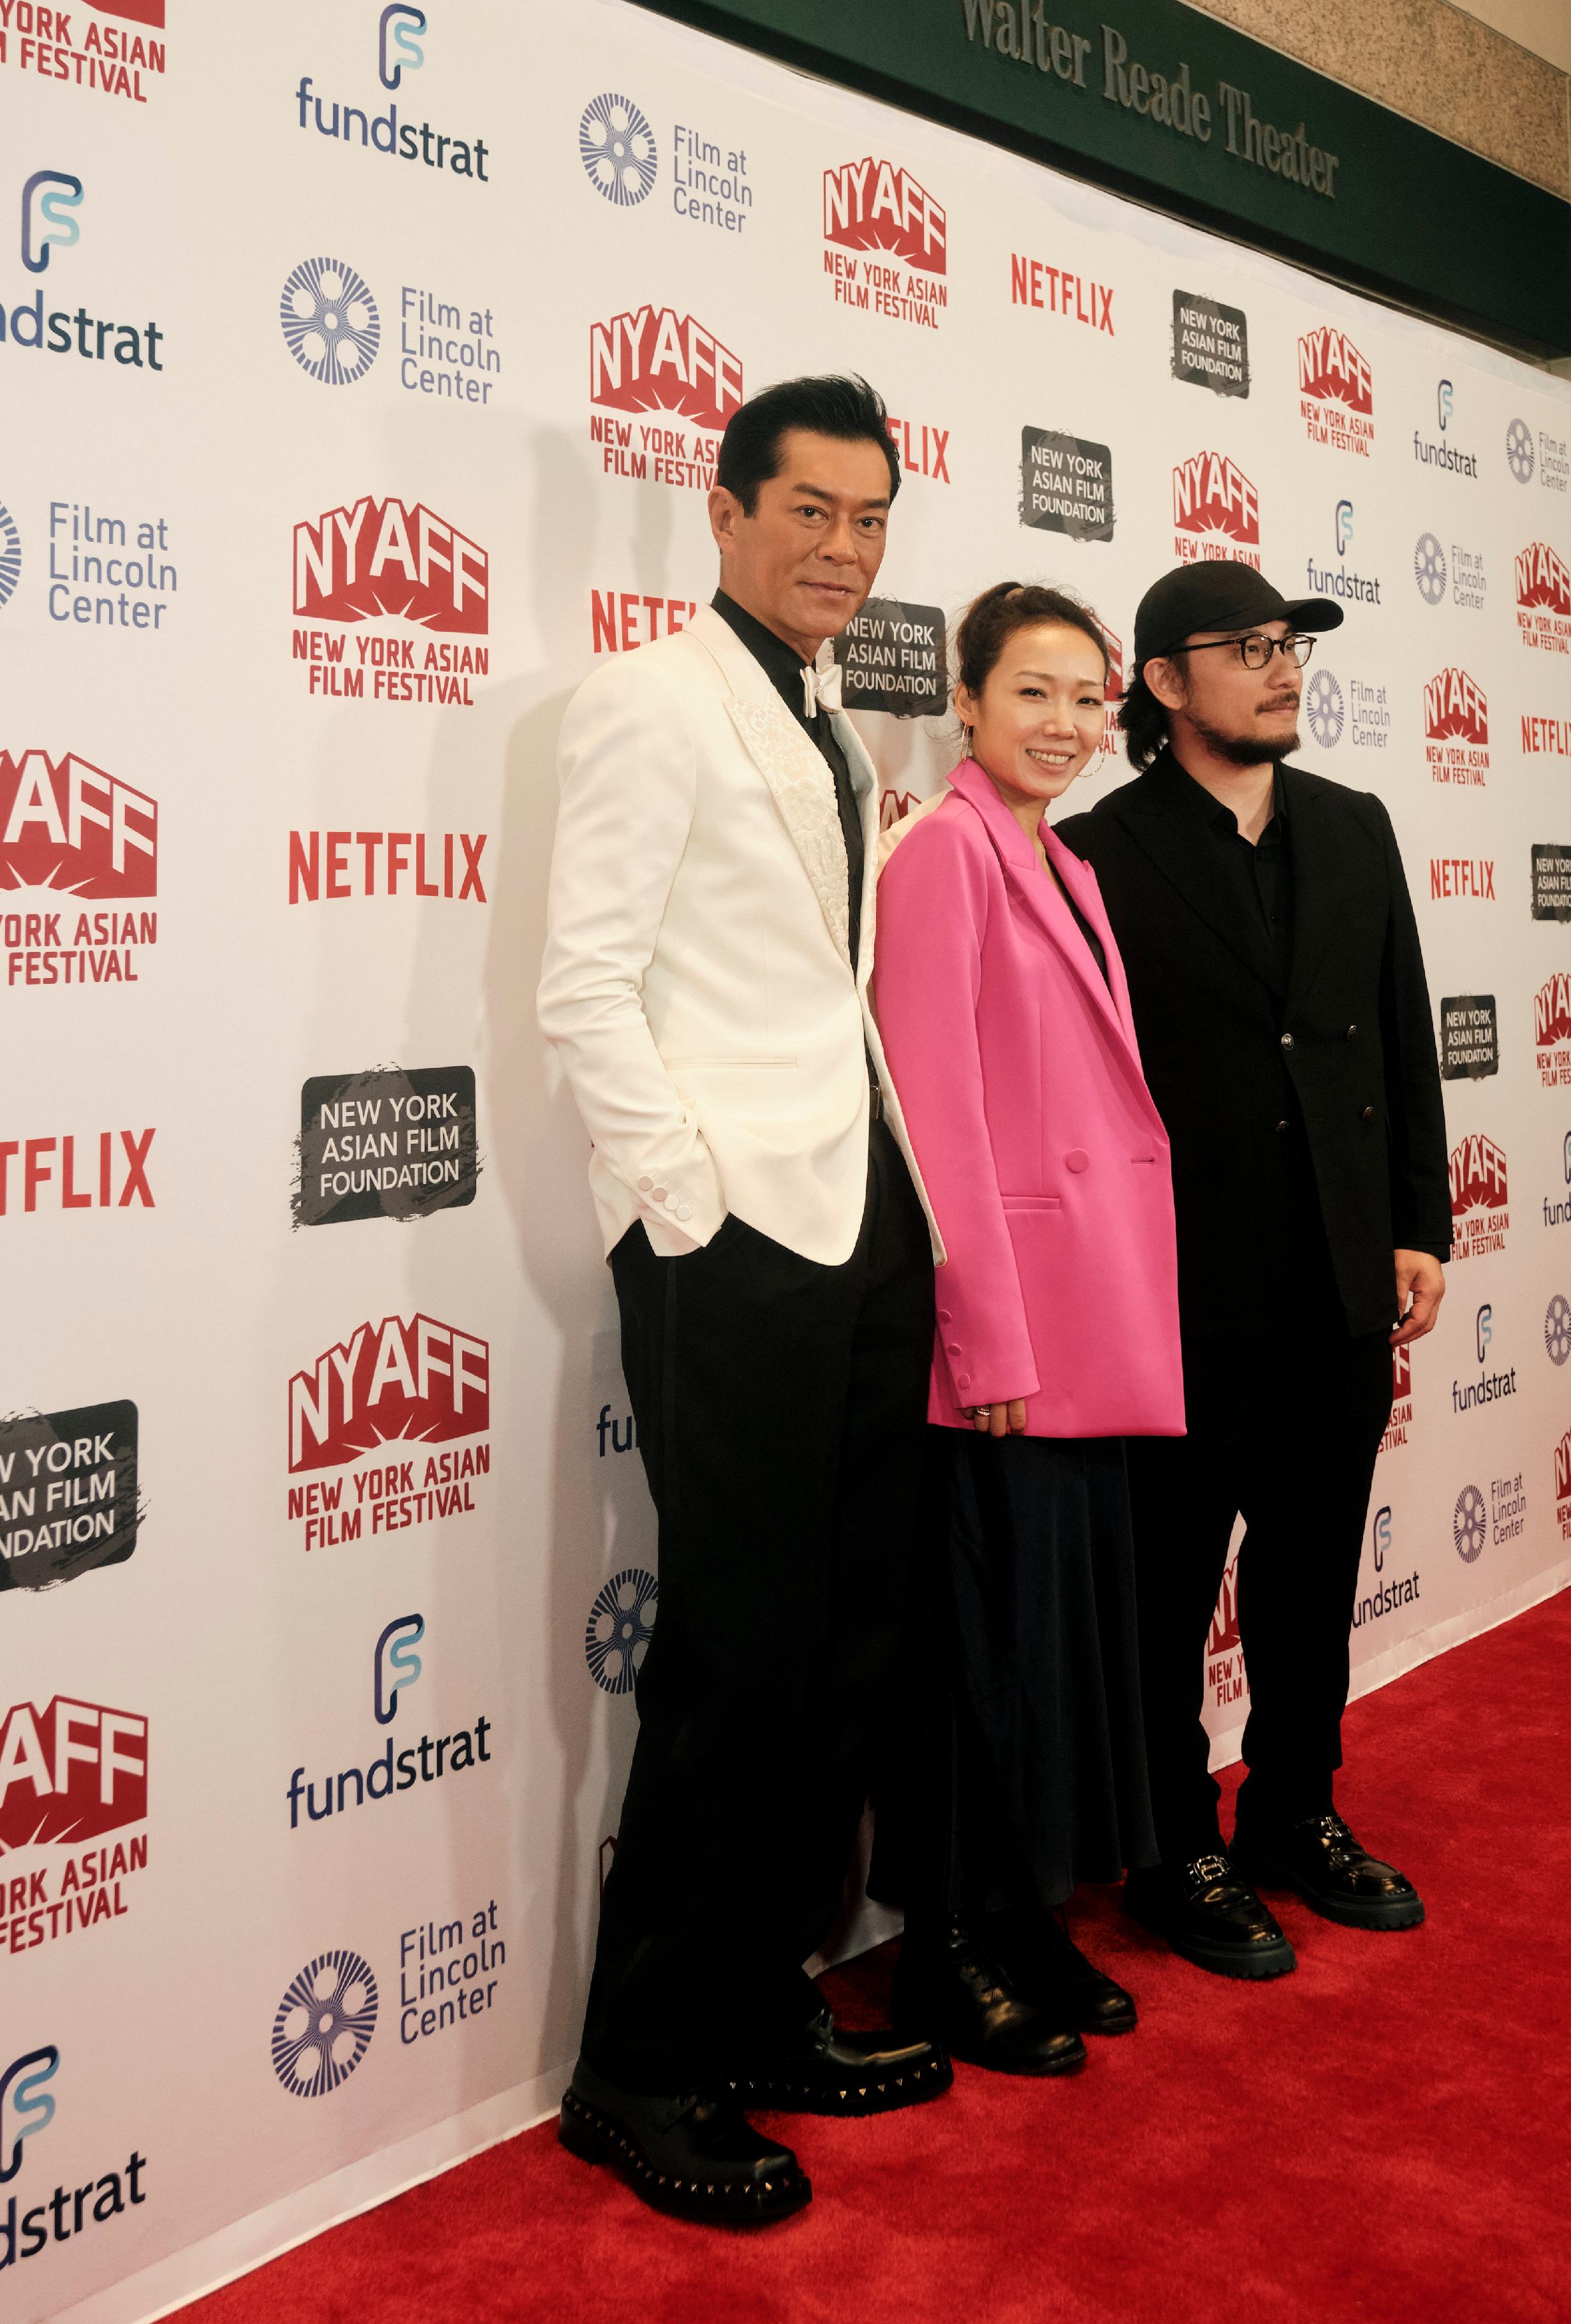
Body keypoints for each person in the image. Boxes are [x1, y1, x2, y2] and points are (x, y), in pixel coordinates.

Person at [537, 374, 951, 2230]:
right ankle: (636, 2066)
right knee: (738, 1655)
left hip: (865, 1227)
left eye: (869, 520)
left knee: (849, 1642)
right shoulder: (650, 698)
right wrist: (691, 1216)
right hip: (740, 1248)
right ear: (722, 509)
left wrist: (871, 1223)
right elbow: (584, 990)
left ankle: (763, 1999)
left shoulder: (841, 730)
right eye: (810, 511)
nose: (843, 552)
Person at [1060, 560, 1450, 1980]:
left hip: (1342, 1276)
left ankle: (1295, 1806)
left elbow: (1397, 1033)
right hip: (1180, 1293)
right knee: (1167, 1589)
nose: (1282, 669)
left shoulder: (1355, 827)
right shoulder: (1098, 851)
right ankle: (1171, 1844)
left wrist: (1421, 1219)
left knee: (1307, 1573)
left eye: (1289, 646)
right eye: (1246, 649)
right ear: (1164, 684)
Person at [870, 582, 1185, 2075]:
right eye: (1033, 694)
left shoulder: (1063, 861)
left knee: (1055, 1649)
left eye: (1086, 697)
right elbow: (933, 1113)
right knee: (978, 1660)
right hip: (1004, 1344)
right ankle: (943, 1943)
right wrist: (982, 1343)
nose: (1065, 723)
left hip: (1093, 1323)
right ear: (968, 705)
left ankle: (1024, 1914)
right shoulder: (940, 856)